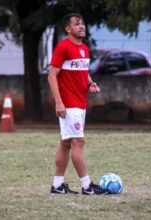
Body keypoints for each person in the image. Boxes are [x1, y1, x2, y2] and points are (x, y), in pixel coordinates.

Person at [48, 13, 108, 195]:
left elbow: (82, 70)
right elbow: (52, 75)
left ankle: (57, 186)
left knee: (65, 143)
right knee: (78, 142)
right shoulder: (63, 48)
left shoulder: (84, 48)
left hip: (80, 102)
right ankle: (86, 186)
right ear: (68, 29)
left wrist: (90, 82)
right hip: (69, 104)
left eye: (83, 23)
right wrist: (58, 102)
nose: (82, 26)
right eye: (77, 24)